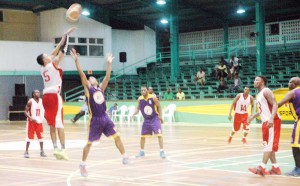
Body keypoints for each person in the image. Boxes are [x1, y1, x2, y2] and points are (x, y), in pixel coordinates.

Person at [70, 48, 129, 177]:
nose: (91, 78)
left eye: (93, 77)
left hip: (105, 117)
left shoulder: (101, 88)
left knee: (117, 137)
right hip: (95, 120)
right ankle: (82, 164)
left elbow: (107, 77)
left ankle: (124, 156)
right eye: (90, 78)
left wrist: (109, 63)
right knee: (89, 143)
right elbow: (82, 74)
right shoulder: (88, 90)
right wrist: (76, 61)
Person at [36, 27, 75, 160]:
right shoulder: (53, 64)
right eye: (46, 56)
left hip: (45, 97)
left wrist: (62, 38)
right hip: (54, 97)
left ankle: (55, 148)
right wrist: (67, 38)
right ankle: (63, 149)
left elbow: (55, 51)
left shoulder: (42, 68)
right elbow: (62, 52)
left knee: (52, 124)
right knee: (60, 124)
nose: (49, 55)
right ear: (45, 60)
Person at [247, 75, 282, 176]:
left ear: (262, 82)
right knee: (267, 145)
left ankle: (261, 167)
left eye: (257, 80)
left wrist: (271, 118)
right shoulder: (259, 95)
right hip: (265, 121)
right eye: (254, 79)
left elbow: (275, 104)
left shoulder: (266, 91)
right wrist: (254, 116)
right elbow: (263, 110)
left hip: (272, 120)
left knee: (269, 145)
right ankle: (276, 167)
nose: (254, 81)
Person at [131, 86, 166, 159]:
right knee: (142, 136)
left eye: (144, 90)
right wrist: (133, 114)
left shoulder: (153, 98)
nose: (143, 91)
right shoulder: (140, 99)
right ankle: (142, 151)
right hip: (146, 120)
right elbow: (138, 108)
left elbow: (159, 107)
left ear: (147, 91)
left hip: (154, 118)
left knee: (159, 134)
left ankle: (162, 151)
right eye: (142, 90)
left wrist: (160, 116)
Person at [277, 77, 300, 176]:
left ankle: (298, 169)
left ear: (294, 84)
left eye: (289, 82)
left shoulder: (293, 92)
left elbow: (279, 104)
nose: (288, 84)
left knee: (295, 145)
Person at [24, 90, 47, 158]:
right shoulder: (30, 101)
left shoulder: (42, 101)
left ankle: (42, 151)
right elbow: (25, 112)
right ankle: (26, 151)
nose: (38, 93)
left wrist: (46, 118)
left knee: (41, 137)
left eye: (39, 92)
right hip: (31, 122)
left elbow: (44, 111)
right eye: (36, 92)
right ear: (33, 94)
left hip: (39, 122)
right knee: (29, 137)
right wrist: (31, 117)